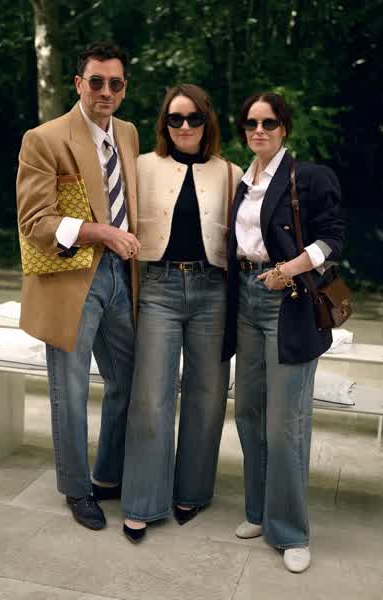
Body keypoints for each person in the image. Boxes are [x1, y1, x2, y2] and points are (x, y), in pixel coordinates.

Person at [16, 42, 141, 531]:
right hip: (72, 279)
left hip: (122, 277)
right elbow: (35, 221)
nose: (106, 91)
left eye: (115, 83)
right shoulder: (44, 139)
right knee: (69, 388)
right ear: (78, 83)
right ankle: (76, 488)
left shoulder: (128, 133)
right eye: (96, 81)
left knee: (127, 380)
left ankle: (108, 475)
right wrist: (100, 232)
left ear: (124, 89)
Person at [222, 92, 344, 572]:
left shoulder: (308, 176)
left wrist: (288, 269)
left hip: (288, 303)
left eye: (269, 122)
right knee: (249, 412)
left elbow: (332, 239)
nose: (259, 130)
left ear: (284, 128)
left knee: (285, 423)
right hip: (246, 299)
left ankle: (292, 532)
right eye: (251, 123)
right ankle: (259, 511)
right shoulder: (242, 180)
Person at [120, 84, 243, 543]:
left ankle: (192, 490)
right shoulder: (142, 166)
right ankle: (142, 500)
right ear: (164, 124)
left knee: (207, 394)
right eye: (175, 118)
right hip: (159, 287)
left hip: (213, 291)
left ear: (207, 122)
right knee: (151, 395)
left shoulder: (230, 172)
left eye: (194, 118)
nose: (185, 126)